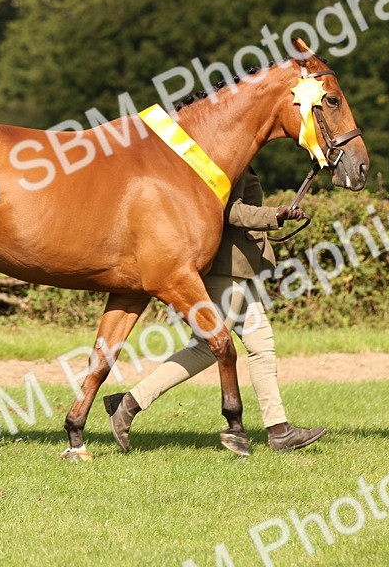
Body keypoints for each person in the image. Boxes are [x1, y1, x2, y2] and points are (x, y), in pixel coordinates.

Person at [104, 168, 327, 453]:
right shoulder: (226, 163)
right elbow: (230, 212)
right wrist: (274, 215)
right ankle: (129, 404)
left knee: (262, 345)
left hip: (242, 268)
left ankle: (279, 430)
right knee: (206, 348)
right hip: (226, 268)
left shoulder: (241, 159)